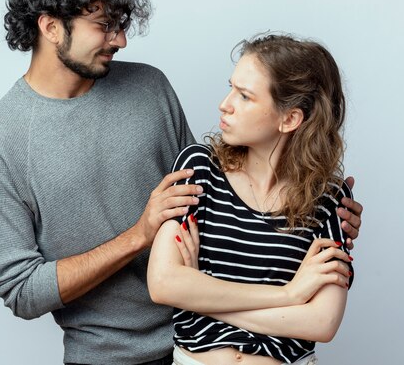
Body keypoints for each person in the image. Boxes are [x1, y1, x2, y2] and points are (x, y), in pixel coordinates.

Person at [0, 0, 364, 365]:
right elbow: (22, 291)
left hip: (200, 339)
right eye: (103, 25)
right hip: (107, 355)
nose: (120, 39)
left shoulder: (149, 87)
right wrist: (138, 235)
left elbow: (226, 193)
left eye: (121, 22)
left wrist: (317, 205)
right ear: (50, 27)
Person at [148, 34, 356, 365]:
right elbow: (162, 284)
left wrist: (200, 295)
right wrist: (289, 295)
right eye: (231, 88)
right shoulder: (199, 169)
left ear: (289, 119)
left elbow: (322, 322)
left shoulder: (330, 200)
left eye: (245, 96)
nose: (225, 104)